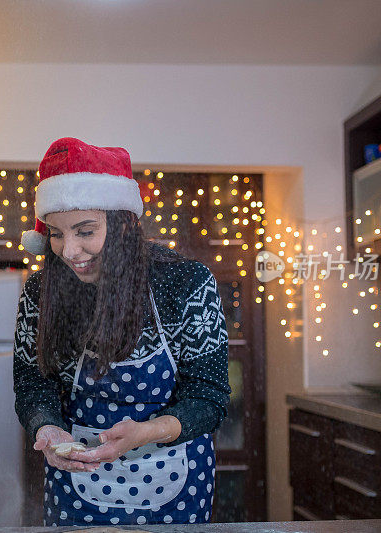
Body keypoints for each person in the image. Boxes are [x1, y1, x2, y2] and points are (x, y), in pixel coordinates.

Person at [13, 137, 231, 525]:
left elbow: (208, 397)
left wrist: (145, 432)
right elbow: (34, 381)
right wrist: (46, 426)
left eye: (84, 231)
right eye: (57, 233)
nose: (68, 251)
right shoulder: (41, 290)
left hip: (173, 476)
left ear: (123, 224)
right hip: (76, 479)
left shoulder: (184, 284)